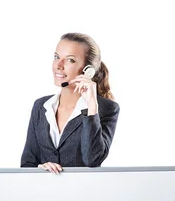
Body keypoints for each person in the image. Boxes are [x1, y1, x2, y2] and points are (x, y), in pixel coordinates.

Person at [20, 33, 119, 174]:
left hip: (83, 193)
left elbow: (92, 159)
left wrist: (91, 106)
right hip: (43, 193)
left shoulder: (106, 108)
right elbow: (27, 163)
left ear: (88, 70)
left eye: (70, 60)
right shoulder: (41, 106)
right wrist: (41, 169)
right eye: (56, 57)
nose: (59, 65)